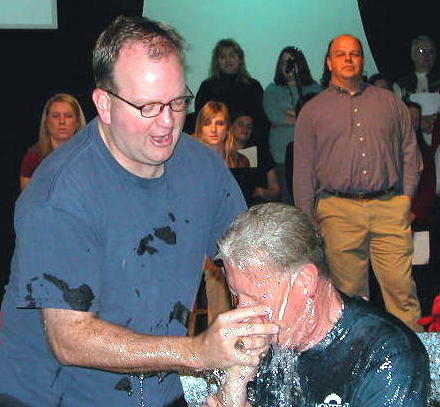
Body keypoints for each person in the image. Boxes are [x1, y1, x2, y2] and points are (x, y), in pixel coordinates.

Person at [0, 16, 279, 407]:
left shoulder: (202, 167)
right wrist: (197, 352)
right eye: (148, 106)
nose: (167, 123)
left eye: (178, 102)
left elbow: (251, 258)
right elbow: (69, 339)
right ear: (105, 105)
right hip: (55, 394)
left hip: (158, 387)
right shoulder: (59, 195)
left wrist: (238, 375)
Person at [202, 203, 429, 406]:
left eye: (256, 299)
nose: (243, 315)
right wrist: (235, 382)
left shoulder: (387, 356)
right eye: (236, 297)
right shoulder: (261, 342)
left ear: (305, 281)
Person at [293, 34, 423, 331]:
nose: (349, 59)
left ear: (362, 60)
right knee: (348, 297)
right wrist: (307, 218)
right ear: (329, 62)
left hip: (390, 207)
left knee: (401, 291)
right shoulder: (313, 111)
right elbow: (302, 171)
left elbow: (409, 151)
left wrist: (406, 198)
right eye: (341, 54)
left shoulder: (390, 102)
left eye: (354, 53)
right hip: (338, 211)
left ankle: (414, 364)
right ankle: (355, 365)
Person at [263, 46, 320, 203]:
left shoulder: (315, 88)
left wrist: (289, 112)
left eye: (291, 62)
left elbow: (317, 116)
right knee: (287, 202)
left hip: (312, 157)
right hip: (281, 157)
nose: (287, 66)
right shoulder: (272, 90)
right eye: (283, 62)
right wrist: (301, 115)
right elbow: (274, 115)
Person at [194, 39, 269, 147]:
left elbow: (261, 121)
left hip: (249, 145)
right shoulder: (207, 87)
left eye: (232, 55)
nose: (228, 60)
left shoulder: (253, 86)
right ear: (217, 62)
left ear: (240, 59)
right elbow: (202, 119)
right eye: (223, 57)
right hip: (216, 146)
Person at [19, 93, 86, 190]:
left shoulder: (90, 156)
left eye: (68, 116)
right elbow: (27, 201)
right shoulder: (33, 158)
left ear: (77, 122)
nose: (62, 121)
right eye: (55, 116)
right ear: (46, 122)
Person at [231, 112, 281, 205]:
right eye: (240, 124)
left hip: (257, 206)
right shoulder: (220, 153)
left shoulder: (262, 153)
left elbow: (276, 191)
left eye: (249, 126)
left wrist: (262, 192)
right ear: (230, 127)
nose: (245, 129)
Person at [194, 101, 249, 168]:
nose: (213, 129)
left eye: (220, 124)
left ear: (228, 128)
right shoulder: (191, 160)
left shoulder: (241, 161)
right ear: (200, 128)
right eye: (207, 123)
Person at [393, 35, 440, 100]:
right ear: (413, 55)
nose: (427, 55)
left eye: (431, 51)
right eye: (421, 51)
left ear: (435, 56)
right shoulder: (401, 85)